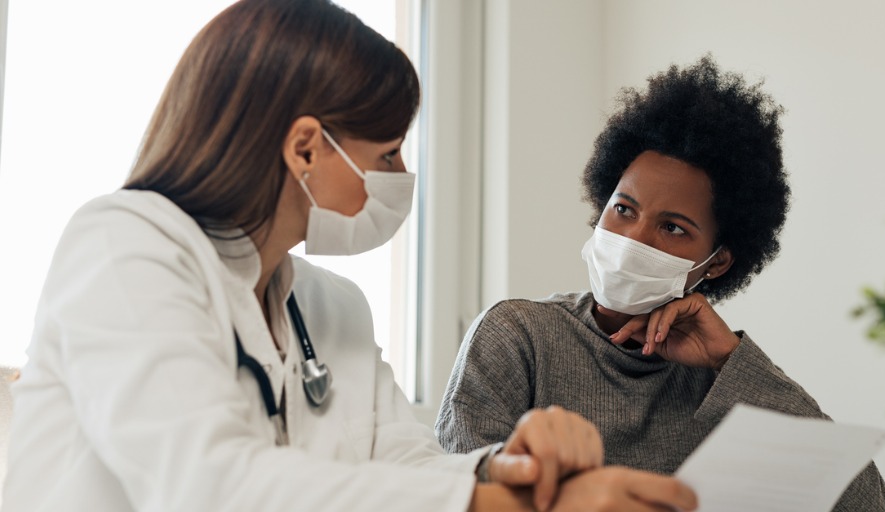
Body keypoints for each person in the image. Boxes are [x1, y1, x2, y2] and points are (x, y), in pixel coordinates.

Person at [1, 1, 700, 511]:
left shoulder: (331, 305)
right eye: (387, 153)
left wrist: (508, 472)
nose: (400, 175)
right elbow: (207, 485)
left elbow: (405, 461)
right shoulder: (123, 246)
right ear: (306, 147)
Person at [436, 55, 885, 511]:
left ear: (717, 263)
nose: (634, 238)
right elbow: (454, 494)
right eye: (624, 209)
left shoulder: (723, 380)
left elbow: (864, 503)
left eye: (673, 228)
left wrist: (731, 361)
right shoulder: (517, 336)